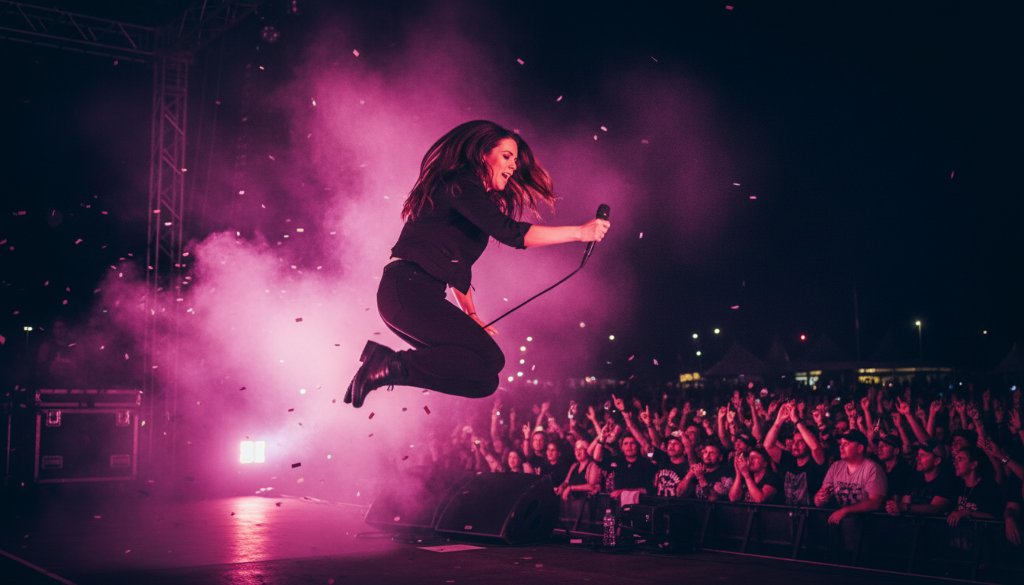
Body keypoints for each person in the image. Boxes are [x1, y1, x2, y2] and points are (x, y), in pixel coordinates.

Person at [345, 120, 611, 407]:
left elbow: (457, 265)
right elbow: (511, 233)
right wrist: (580, 233)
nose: (512, 167)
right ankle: (386, 363)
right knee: (491, 358)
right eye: (507, 156)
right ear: (484, 154)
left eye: (515, 161)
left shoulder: (471, 198)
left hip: (413, 294)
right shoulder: (459, 183)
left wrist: (470, 314)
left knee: (483, 380)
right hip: (406, 290)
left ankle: (386, 366)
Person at [814, 430, 887, 525]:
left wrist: (846, 511)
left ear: (860, 448)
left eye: (846, 444)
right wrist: (820, 498)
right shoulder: (836, 467)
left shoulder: (872, 468)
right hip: (841, 525)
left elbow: (875, 502)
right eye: (841, 443)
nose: (841, 446)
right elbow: (818, 500)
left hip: (867, 525)